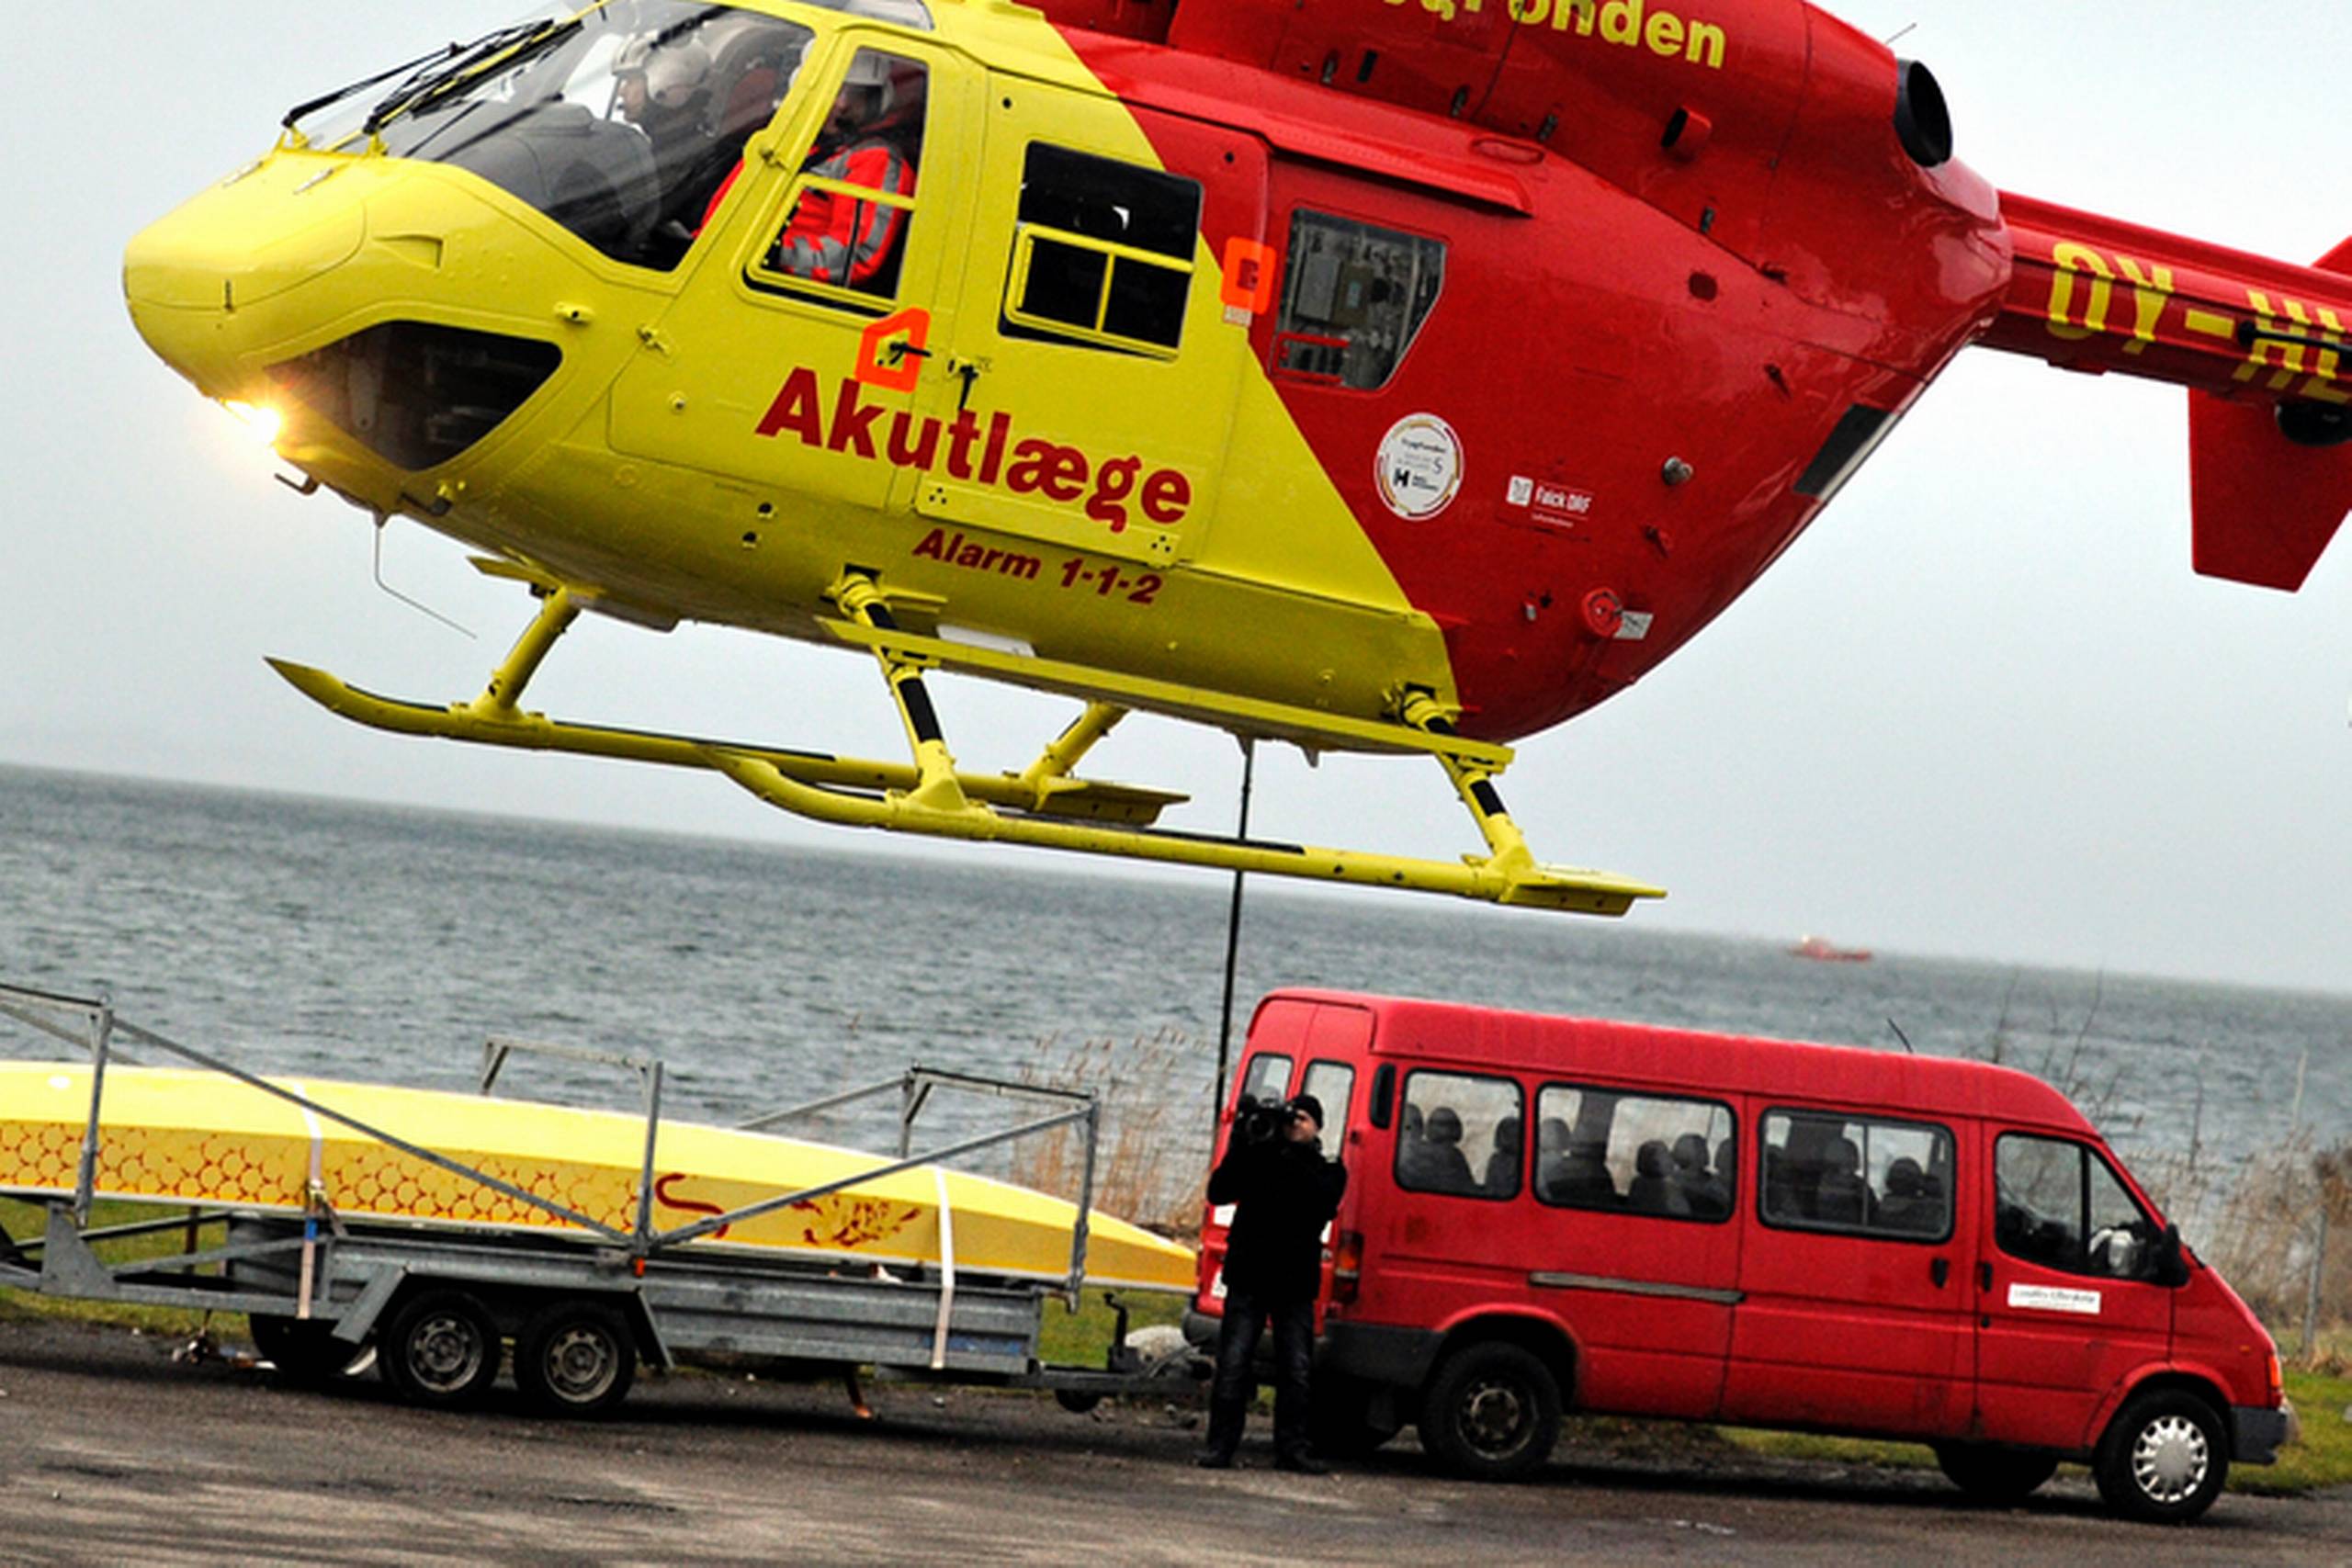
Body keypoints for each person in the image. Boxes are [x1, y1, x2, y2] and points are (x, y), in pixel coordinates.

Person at [1200, 1093, 1347, 1473]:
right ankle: (1220, 1447)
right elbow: (1219, 1191)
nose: (1294, 1125)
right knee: (1233, 1363)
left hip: (1294, 1282)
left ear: (1317, 1126)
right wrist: (1245, 1142)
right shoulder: (1260, 1155)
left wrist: (1288, 1152)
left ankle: (1293, 1449)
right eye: (1290, 1119)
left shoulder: (1326, 1169)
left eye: (1302, 1119)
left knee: (1296, 1369)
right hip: (1249, 1274)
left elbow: (1318, 1203)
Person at [770, 51, 921, 289]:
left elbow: (855, 257)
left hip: (780, 289)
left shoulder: (875, 159)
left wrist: (770, 253)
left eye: (857, 95)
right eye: (834, 87)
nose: (842, 104)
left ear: (878, 101)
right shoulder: (801, 141)